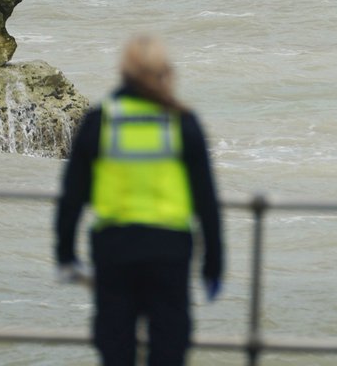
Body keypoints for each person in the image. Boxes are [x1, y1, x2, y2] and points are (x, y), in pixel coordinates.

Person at [55, 35, 224, 366]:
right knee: (169, 350)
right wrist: (213, 264)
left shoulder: (101, 119)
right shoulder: (182, 122)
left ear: (123, 71)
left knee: (115, 350)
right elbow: (207, 201)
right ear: (165, 71)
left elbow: (72, 196)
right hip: (170, 252)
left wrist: (65, 254)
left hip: (114, 250)